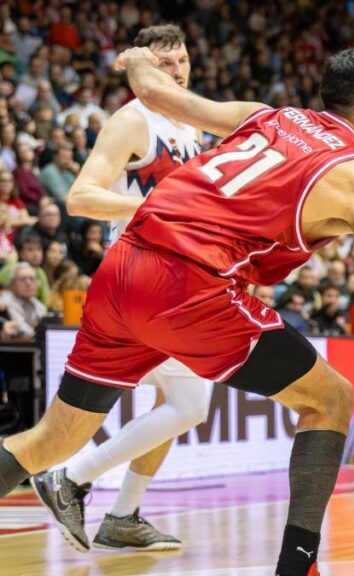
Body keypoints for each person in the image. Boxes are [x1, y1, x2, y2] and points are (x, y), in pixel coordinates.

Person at [0, 46, 354, 576]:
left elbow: (157, 94)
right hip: (188, 286)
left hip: (122, 266)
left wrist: (134, 58)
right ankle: (297, 569)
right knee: (331, 399)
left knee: (47, 442)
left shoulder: (270, 116)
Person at [30, 25, 208, 554]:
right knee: (189, 401)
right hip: (136, 276)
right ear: (141, 69)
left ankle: (123, 515)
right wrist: (155, 209)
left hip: (171, 278)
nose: (176, 72)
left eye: (181, 61)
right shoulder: (133, 121)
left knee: (182, 399)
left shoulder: (192, 126)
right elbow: (81, 197)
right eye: (163, 63)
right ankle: (70, 478)